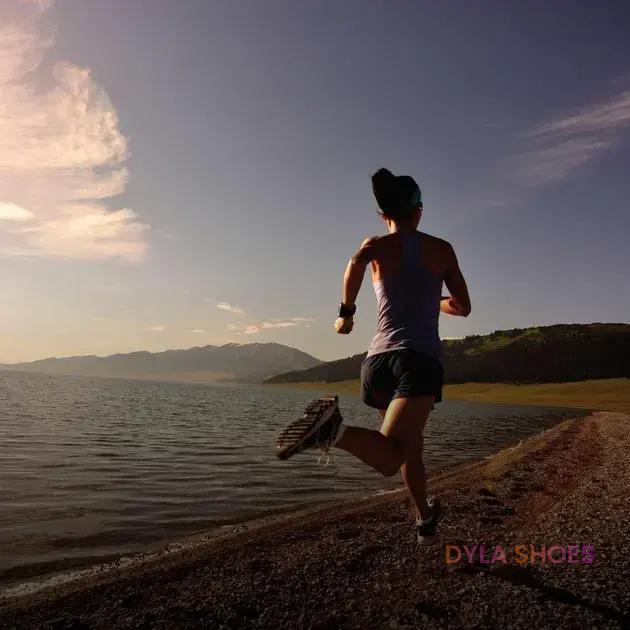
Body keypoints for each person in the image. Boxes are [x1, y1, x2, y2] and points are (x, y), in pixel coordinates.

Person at [275, 167, 471, 545]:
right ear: (420, 211)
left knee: (409, 447)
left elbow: (355, 263)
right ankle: (334, 430)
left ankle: (425, 520)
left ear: (385, 215)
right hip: (419, 361)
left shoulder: (376, 245)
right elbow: (463, 307)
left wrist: (346, 314)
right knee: (390, 458)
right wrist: (439, 301)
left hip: (378, 364)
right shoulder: (442, 250)